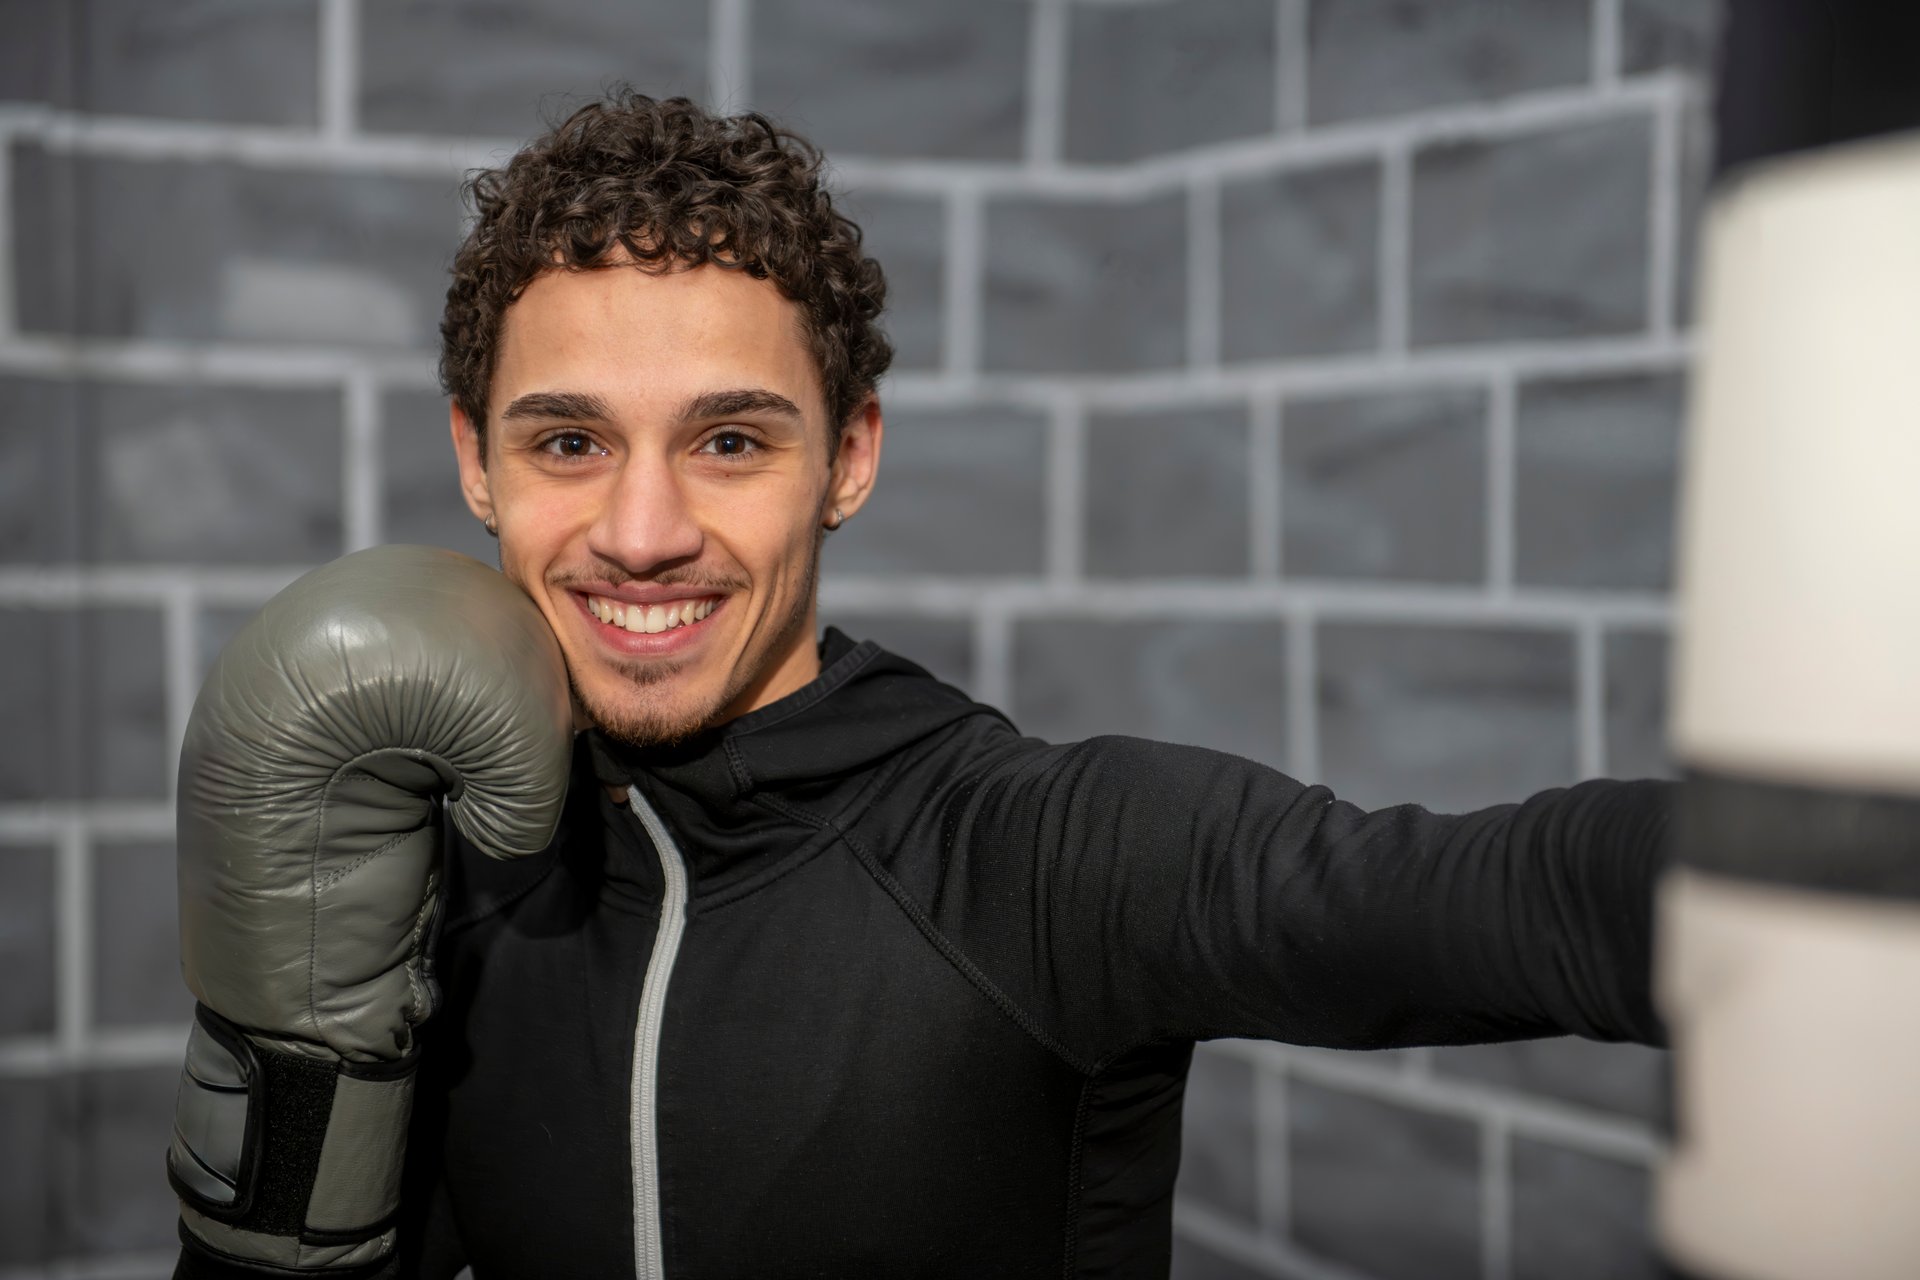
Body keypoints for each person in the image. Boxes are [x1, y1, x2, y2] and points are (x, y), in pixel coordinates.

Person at [169, 92, 1671, 1279]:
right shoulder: (452, 874)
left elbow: (1507, 894)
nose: (641, 534)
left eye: (731, 441)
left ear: (853, 457)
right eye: (568, 441)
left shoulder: (1034, 863)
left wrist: (1833, 848)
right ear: (471, 462)